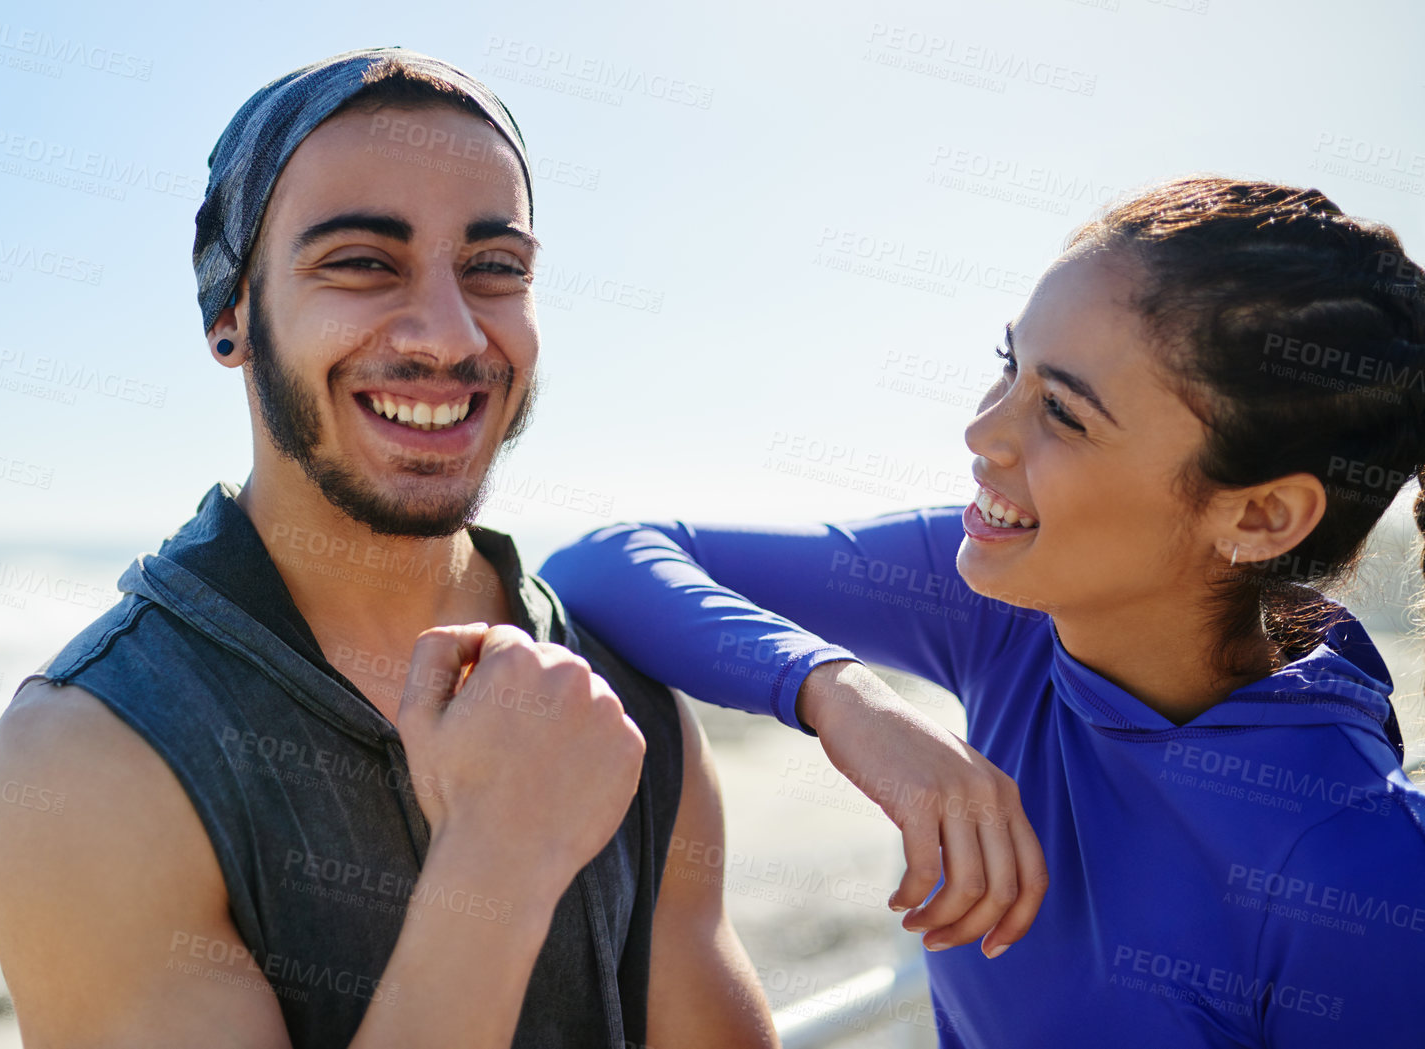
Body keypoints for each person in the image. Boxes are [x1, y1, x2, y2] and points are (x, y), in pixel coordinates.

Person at [0, 45, 1042, 1049]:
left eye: (492, 266)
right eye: (359, 262)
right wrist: (497, 856)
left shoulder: (616, 686)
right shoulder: (89, 751)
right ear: (231, 316)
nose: (446, 333)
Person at [541, 176, 1425, 1047]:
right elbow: (602, 561)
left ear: (1259, 516)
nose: (984, 432)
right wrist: (842, 697)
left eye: (1063, 412)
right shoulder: (1001, 607)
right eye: (1011, 364)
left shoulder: (1360, 870)